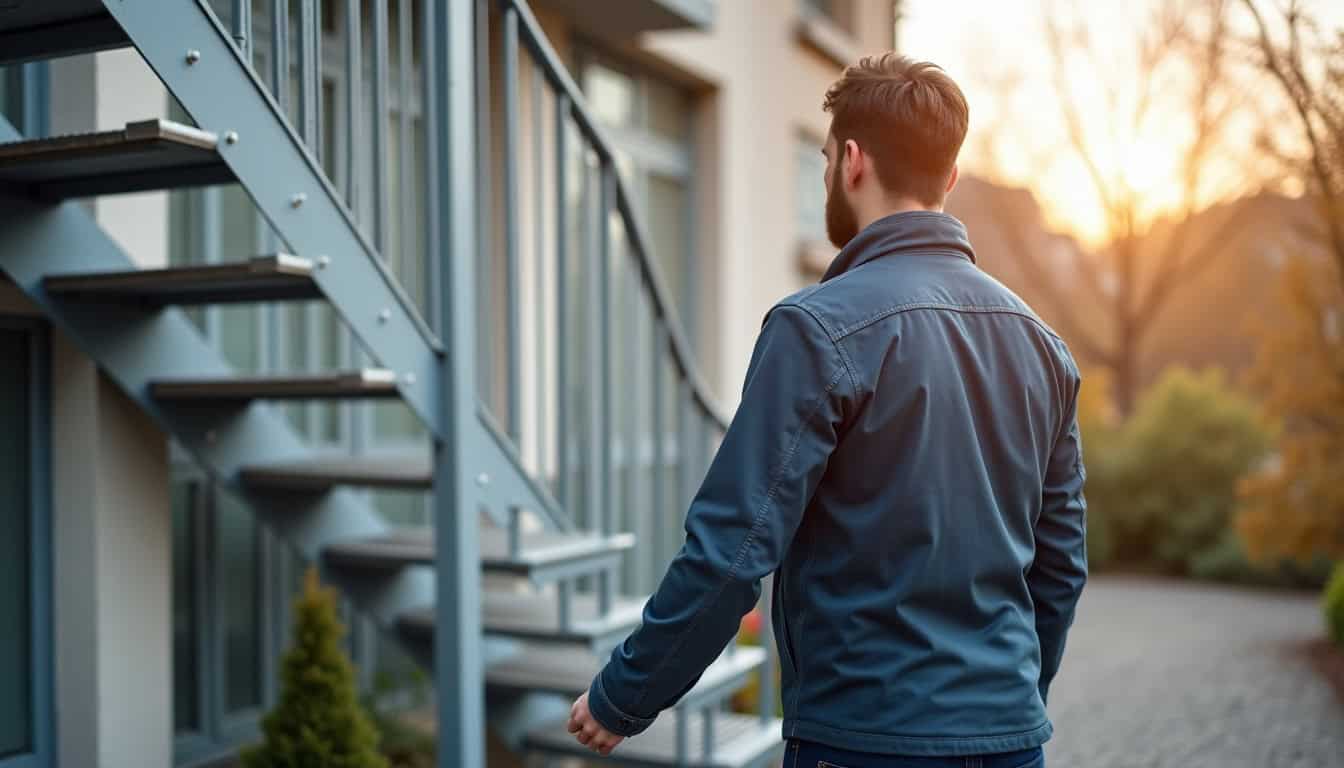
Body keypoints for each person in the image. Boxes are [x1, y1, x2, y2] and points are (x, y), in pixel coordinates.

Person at [567, 53, 1087, 768]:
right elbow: (1060, 565)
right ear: (950, 178)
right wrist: (1010, 696)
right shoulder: (1043, 347)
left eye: (820, 158)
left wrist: (624, 694)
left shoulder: (816, 329)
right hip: (1008, 741)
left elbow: (731, 550)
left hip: (861, 741)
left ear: (849, 161)